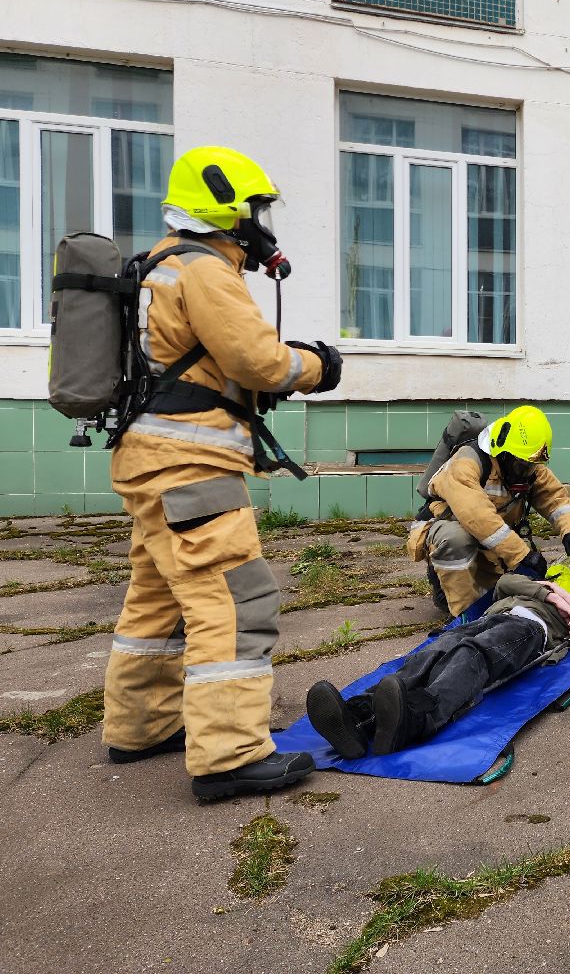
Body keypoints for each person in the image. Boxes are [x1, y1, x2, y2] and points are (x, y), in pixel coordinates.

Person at [102, 146, 343, 801]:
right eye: (254, 207)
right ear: (224, 207)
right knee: (234, 602)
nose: (260, 221)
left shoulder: (154, 265)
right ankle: (228, 755)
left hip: (145, 459)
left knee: (155, 599)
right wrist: (320, 365)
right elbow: (259, 362)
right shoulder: (204, 270)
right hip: (191, 461)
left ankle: (141, 726)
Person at [305, 560, 570, 757]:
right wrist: (549, 592)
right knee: (436, 650)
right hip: (490, 619)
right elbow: (505, 582)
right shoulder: (534, 590)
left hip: (528, 631)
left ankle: (417, 718)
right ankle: (359, 716)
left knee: (474, 655)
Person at [408, 405, 570, 618]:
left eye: (531, 466)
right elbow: (477, 516)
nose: (527, 473)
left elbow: (555, 499)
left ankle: (484, 589)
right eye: (522, 466)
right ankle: (464, 614)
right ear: (503, 453)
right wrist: (521, 555)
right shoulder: (466, 462)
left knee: (507, 596)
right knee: (455, 538)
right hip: (447, 534)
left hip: (486, 541)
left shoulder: (524, 462)